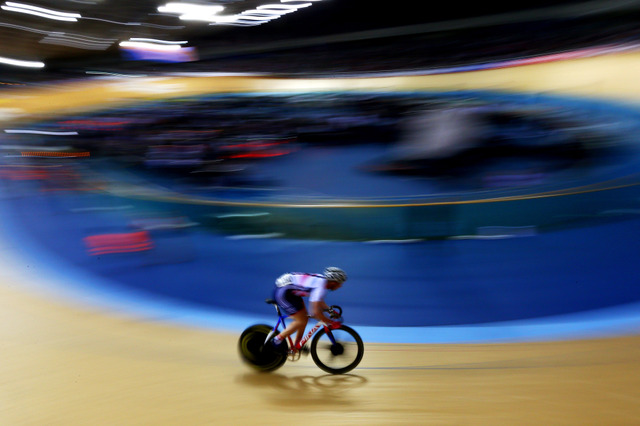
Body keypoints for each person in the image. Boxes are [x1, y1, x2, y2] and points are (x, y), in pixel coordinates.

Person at [271, 266, 347, 353]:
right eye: (340, 283)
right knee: (301, 320)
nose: (340, 286)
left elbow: (319, 300)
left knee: (305, 318)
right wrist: (330, 322)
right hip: (283, 291)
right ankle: (276, 340)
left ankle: (297, 345)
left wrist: (330, 310)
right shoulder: (320, 287)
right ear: (334, 282)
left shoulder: (322, 283)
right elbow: (314, 313)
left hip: (290, 291)